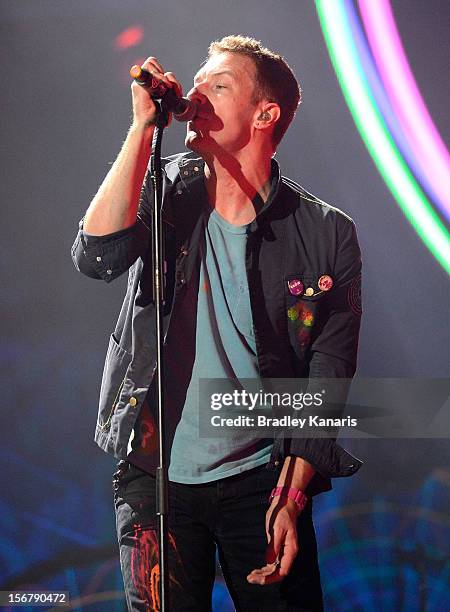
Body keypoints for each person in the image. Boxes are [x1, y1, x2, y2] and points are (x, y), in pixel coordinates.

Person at [72, 35, 363, 611]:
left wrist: (294, 494)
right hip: (155, 478)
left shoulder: (326, 234)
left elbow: (328, 371)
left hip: (261, 479)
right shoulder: (164, 191)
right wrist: (141, 131)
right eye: (198, 82)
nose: (197, 92)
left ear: (265, 113)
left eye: (219, 84)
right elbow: (95, 257)